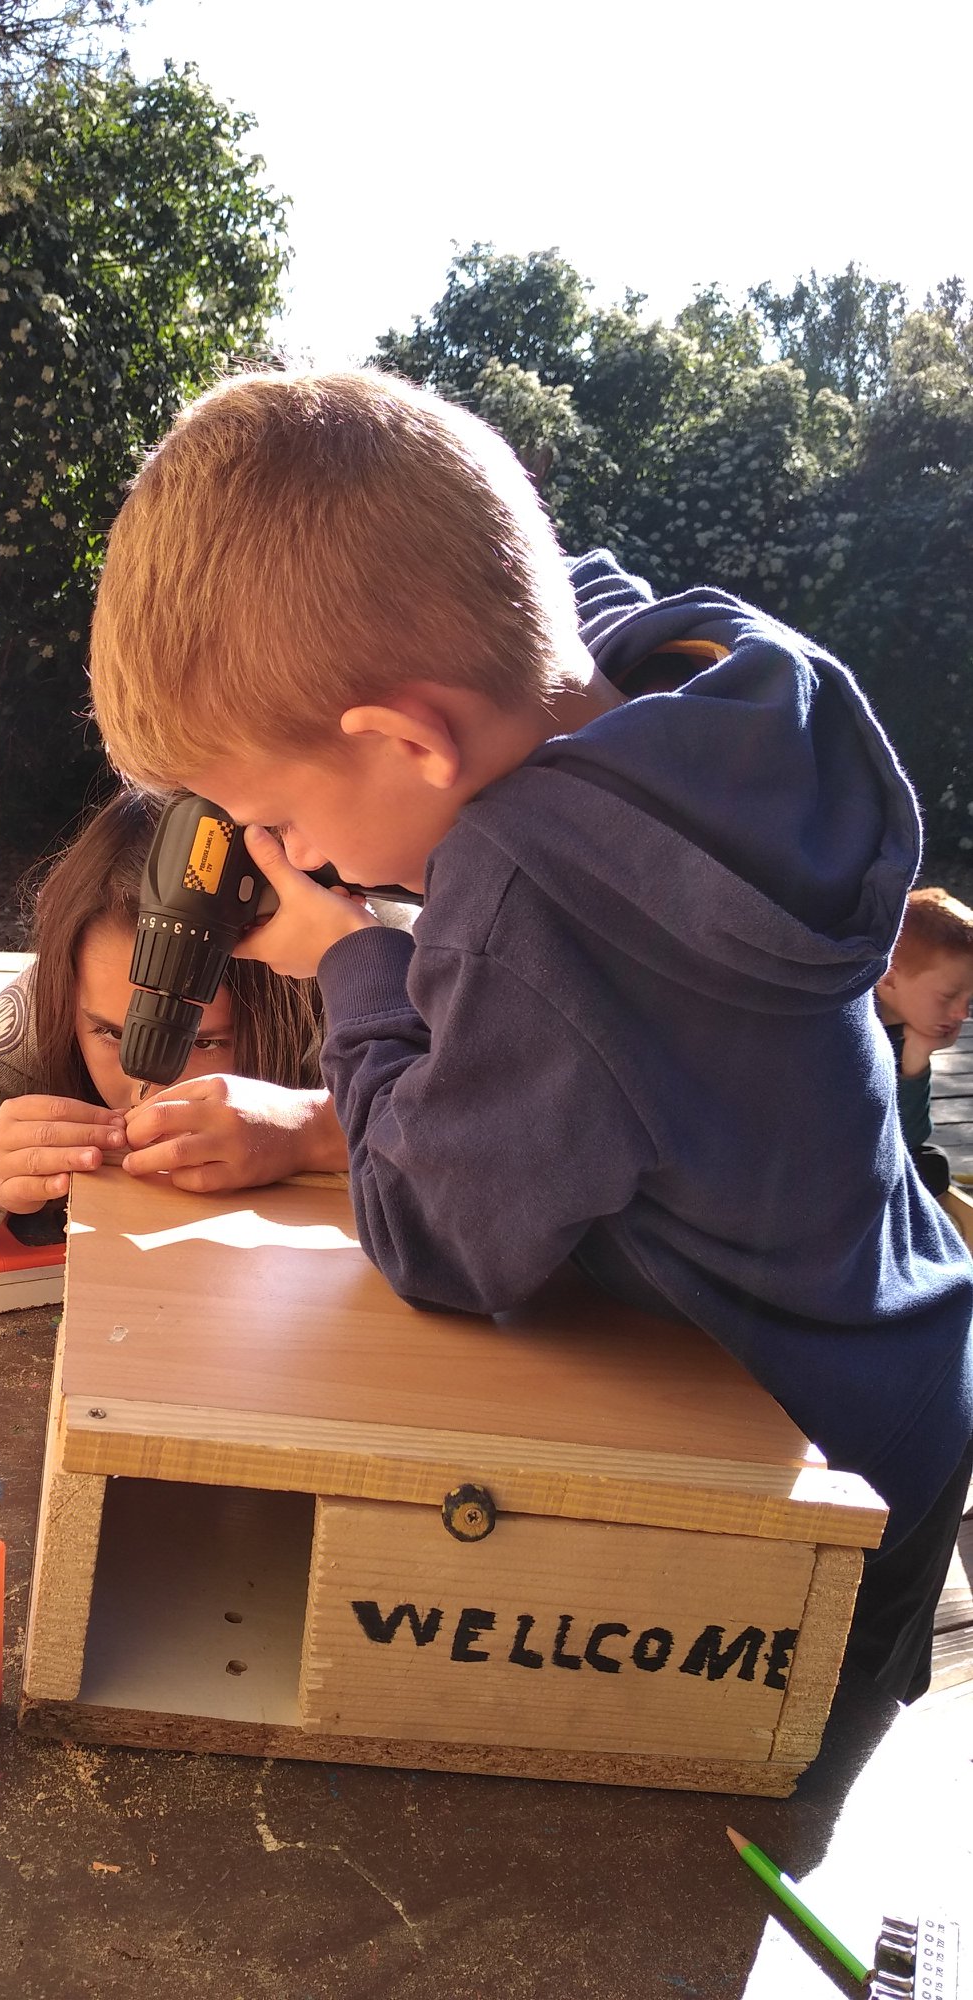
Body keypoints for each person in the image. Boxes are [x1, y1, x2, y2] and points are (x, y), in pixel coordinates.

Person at [87, 366, 973, 1704]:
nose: (290, 852)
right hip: (904, 1355)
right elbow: (535, 590)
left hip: (799, 1469)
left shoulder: (537, 903)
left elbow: (431, 1236)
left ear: (407, 739)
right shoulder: (704, 676)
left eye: (277, 815)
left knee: (763, 1753)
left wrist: (353, 958)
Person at [0, 788, 346, 1248]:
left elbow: (413, 1127)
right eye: (110, 1033)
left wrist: (315, 1131)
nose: (148, 1087)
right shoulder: (49, 1006)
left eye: (204, 1042)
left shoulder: (358, 972)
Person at [875, 886, 973, 1197]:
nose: (962, 1014)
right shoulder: (847, 1034)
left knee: (930, 1164)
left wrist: (917, 1056)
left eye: (969, 1000)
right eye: (948, 996)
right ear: (889, 978)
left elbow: (912, 1138)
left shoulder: (905, 1030)